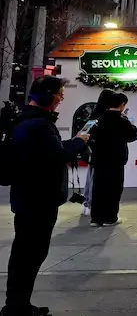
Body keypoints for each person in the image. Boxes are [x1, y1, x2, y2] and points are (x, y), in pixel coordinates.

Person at [3, 76, 88, 316]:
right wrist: (79, 142)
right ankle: (16, 307)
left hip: (28, 196)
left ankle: (18, 304)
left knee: (26, 254)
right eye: (59, 93)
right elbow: (56, 156)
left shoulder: (26, 121)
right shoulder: (38, 124)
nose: (61, 98)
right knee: (29, 254)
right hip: (37, 199)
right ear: (47, 95)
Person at [88, 93, 137, 227]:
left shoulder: (99, 119)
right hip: (116, 160)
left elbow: (90, 138)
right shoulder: (122, 121)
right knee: (113, 189)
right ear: (122, 105)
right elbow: (132, 136)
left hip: (99, 159)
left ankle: (96, 218)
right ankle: (110, 217)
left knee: (98, 187)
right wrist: (132, 125)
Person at [79, 89, 116, 217]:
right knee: (96, 180)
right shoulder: (105, 117)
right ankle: (91, 204)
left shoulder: (94, 116)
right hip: (101, 153)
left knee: (90, 178)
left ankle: (86, 204)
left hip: (92, 153)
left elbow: (82, 133)